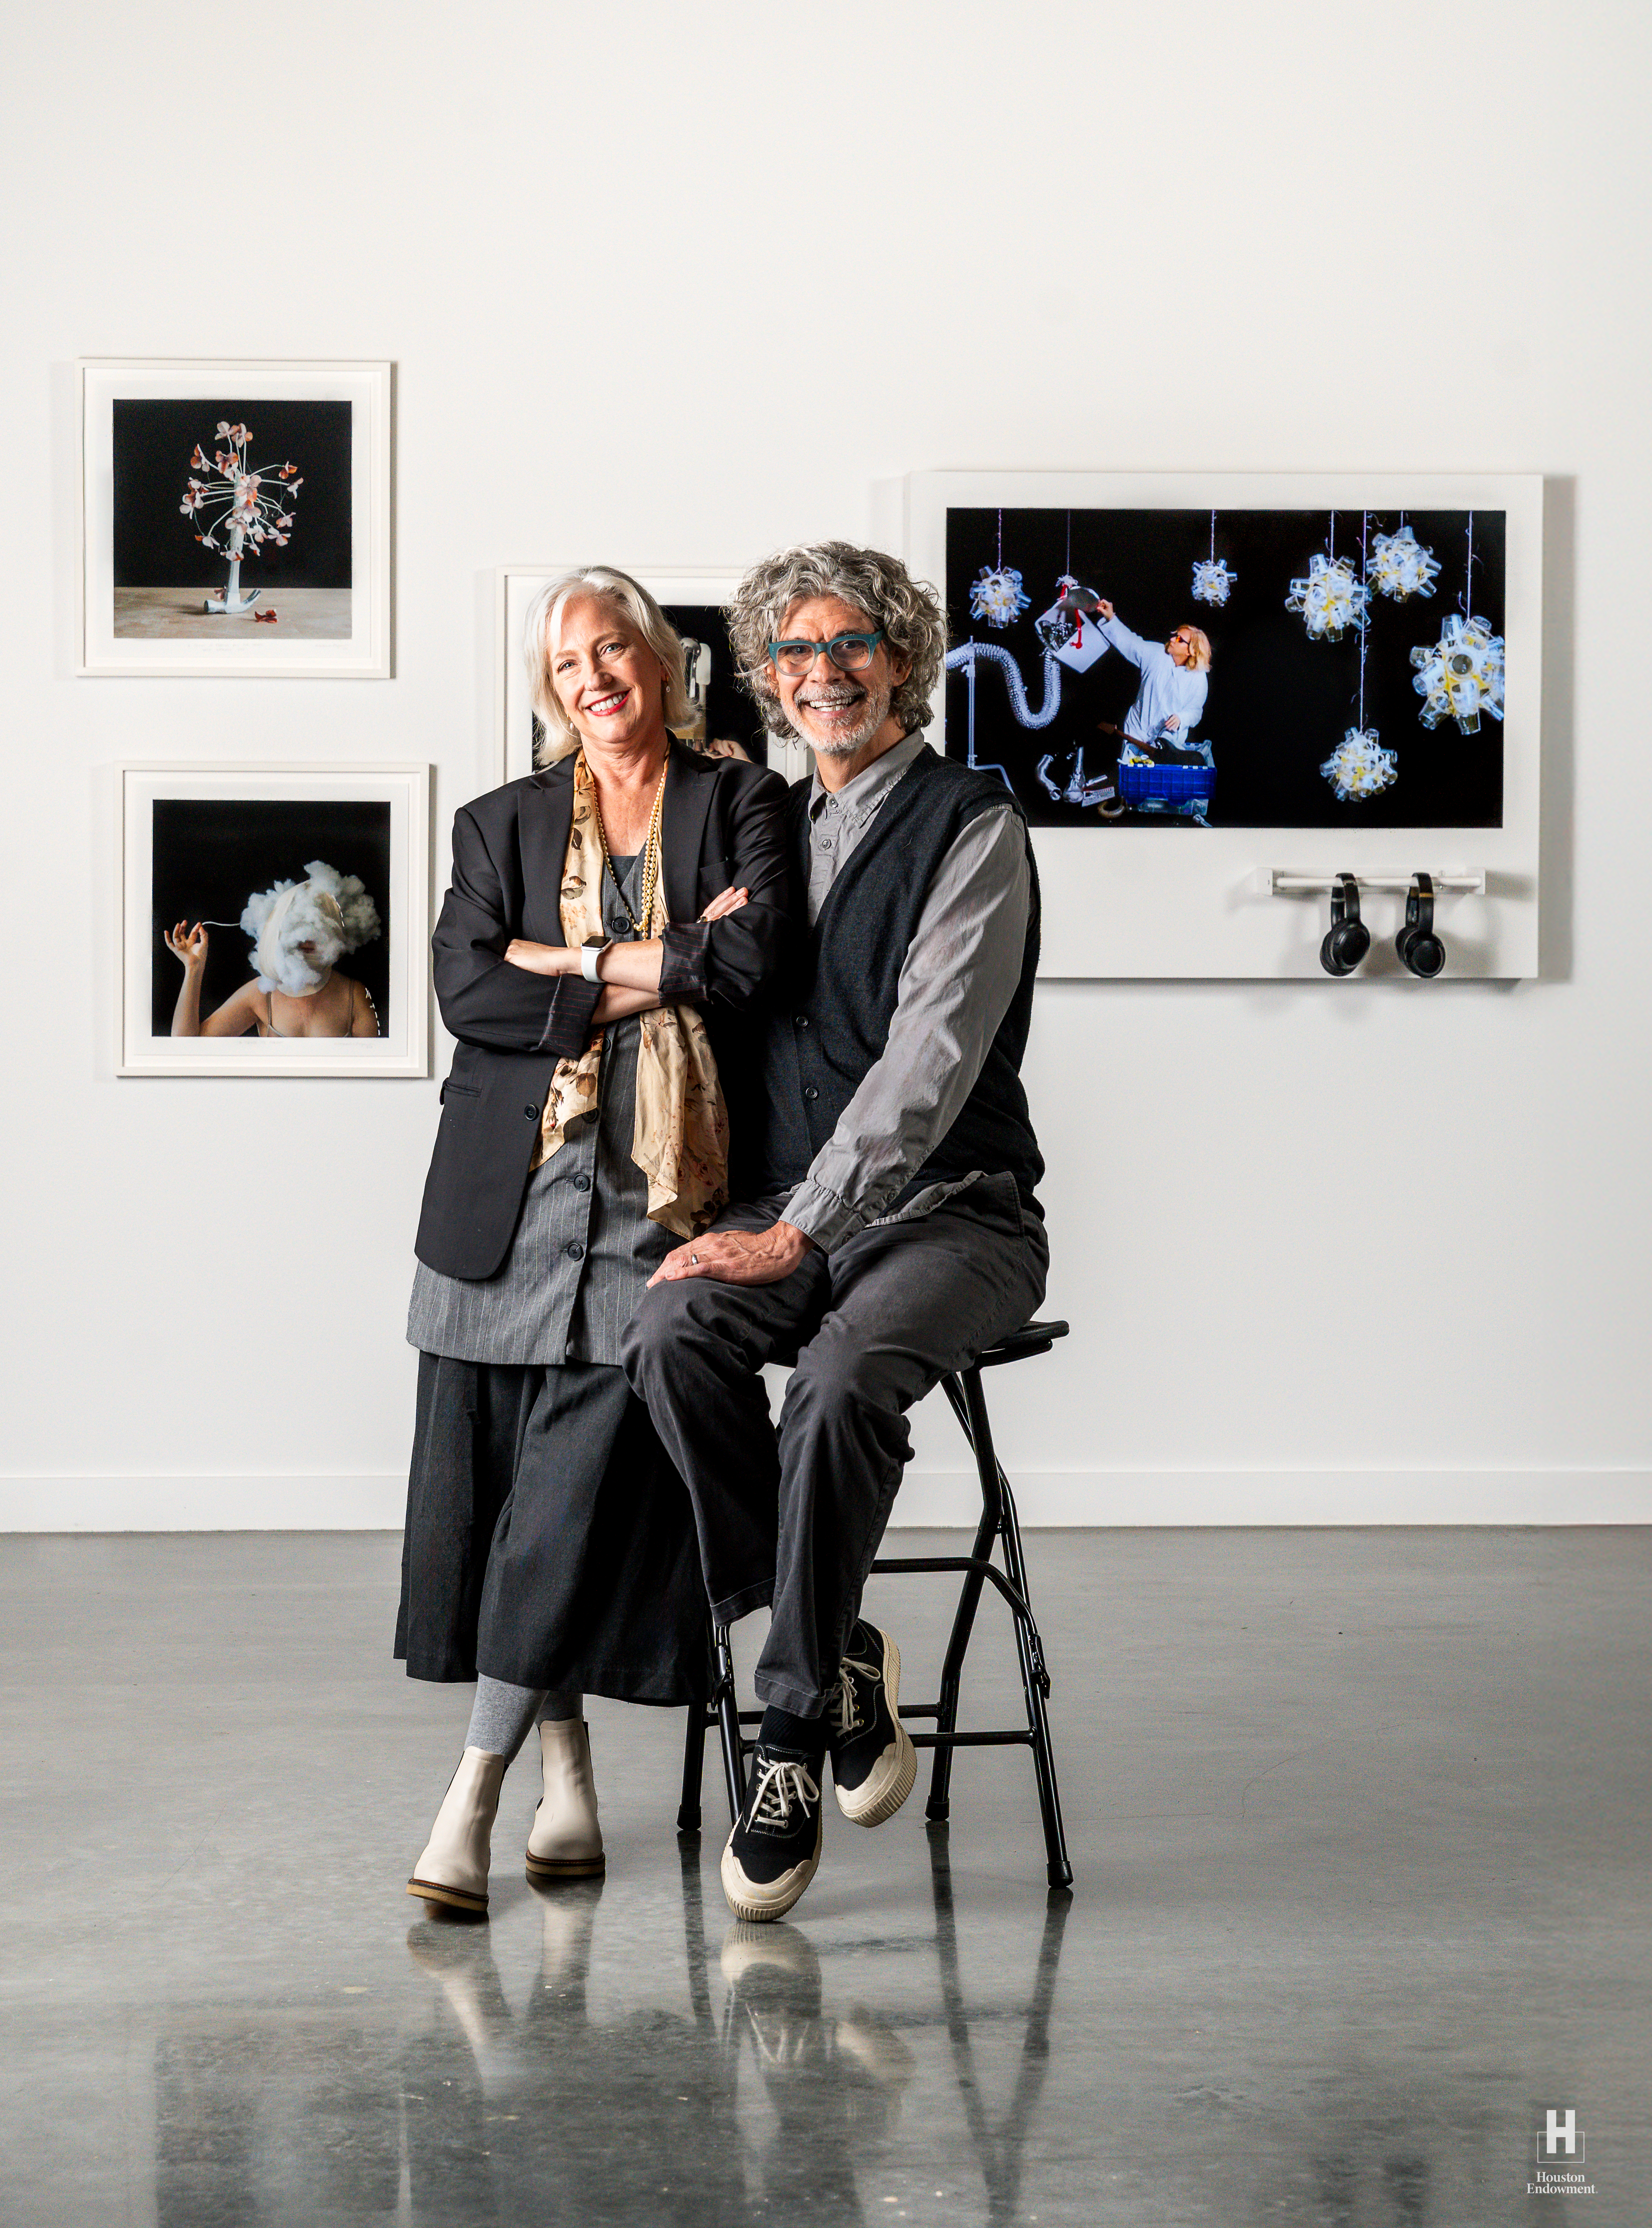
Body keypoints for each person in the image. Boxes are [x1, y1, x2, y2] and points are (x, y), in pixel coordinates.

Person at [622, 541, 1048, 1923]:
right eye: (794, 654)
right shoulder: (767, 829)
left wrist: (800, 1232)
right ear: (768, 678)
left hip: (953, 1214)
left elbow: (928, 1064)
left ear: (903, 660)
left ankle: (791, 1737)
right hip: (791, 1211)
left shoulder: (973, 823)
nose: (823, 673)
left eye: (850, 644)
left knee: (842, 1379)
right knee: (671, 1328)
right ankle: (840, 1647)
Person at [400, 565, 793, 1915]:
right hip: (502, 1210)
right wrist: (656, 957)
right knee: (506, 1502)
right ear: (552, 692)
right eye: (569, 661)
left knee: (563, 1503)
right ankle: (569, 1784)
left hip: (658, 1208)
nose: (594, 675)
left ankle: (474, 1792)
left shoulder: (739, 799)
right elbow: (464, 990)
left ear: (664, 663)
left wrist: (559, 966)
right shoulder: (496, 823)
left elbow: (757, 969)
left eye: (613, 647)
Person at [165, 861, 382, 1036]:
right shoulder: (261, 994)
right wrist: (193, 968)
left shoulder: (354, 995)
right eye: (297, 927)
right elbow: (185, 1047)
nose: (307, 939)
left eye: (317, 929)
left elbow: (375, 1076)